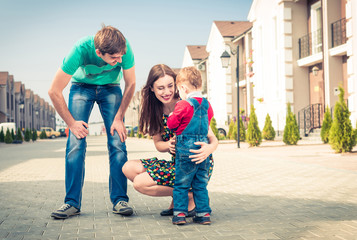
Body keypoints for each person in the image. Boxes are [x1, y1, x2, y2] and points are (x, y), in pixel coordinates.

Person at [48, 25, 136, 219]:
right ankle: (71, 203)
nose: (119, 61)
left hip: (111, 88)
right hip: (81, 87)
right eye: (114, 58)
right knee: (75, 143)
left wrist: (119, 117)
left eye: (121, 56)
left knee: (117, 141)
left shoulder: (124, 48)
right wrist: (71, 123)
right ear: (98, 52)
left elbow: (130, 83)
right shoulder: (80, 49)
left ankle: (120, 200)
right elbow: (54, 90)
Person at [122, 64, 217, 218]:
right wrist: (169, 145)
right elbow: (159, 145)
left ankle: (190, 195)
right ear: (152, 88)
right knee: (128, 168)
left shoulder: (189, 103)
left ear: (178, 85)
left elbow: (213, 139)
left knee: (140, 183)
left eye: (170, 86)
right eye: (160, 88)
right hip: (177, 163)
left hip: (195, 163)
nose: (166, 92)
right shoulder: (154, 110)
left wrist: (209, 149)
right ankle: (186, 196)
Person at [167, 66, 214, 225]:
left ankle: (180, 214)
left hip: (185, 149)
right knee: (200, 184)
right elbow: (208, 122)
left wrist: (172, 116)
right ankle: (204, 214)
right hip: (202, 149)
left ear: (183, 88)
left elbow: (172, 125)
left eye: (179, 91)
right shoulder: (207, 105)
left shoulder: (183, 105)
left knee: (181, 184)